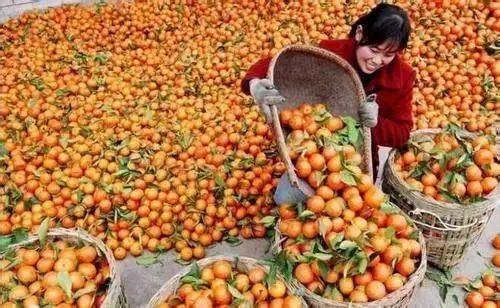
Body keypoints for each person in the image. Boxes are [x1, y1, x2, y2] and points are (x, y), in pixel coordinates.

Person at [240, 3, 415, 178]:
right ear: (360, 33)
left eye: (388, 55)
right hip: (312, 150)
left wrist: (377, 123)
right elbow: (279, 65)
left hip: (357, 159)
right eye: (373, 50)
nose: (377, 60)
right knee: (287, 196)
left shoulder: (403, 77)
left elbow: (402, 133)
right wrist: (255, 85)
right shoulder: (332, 53)